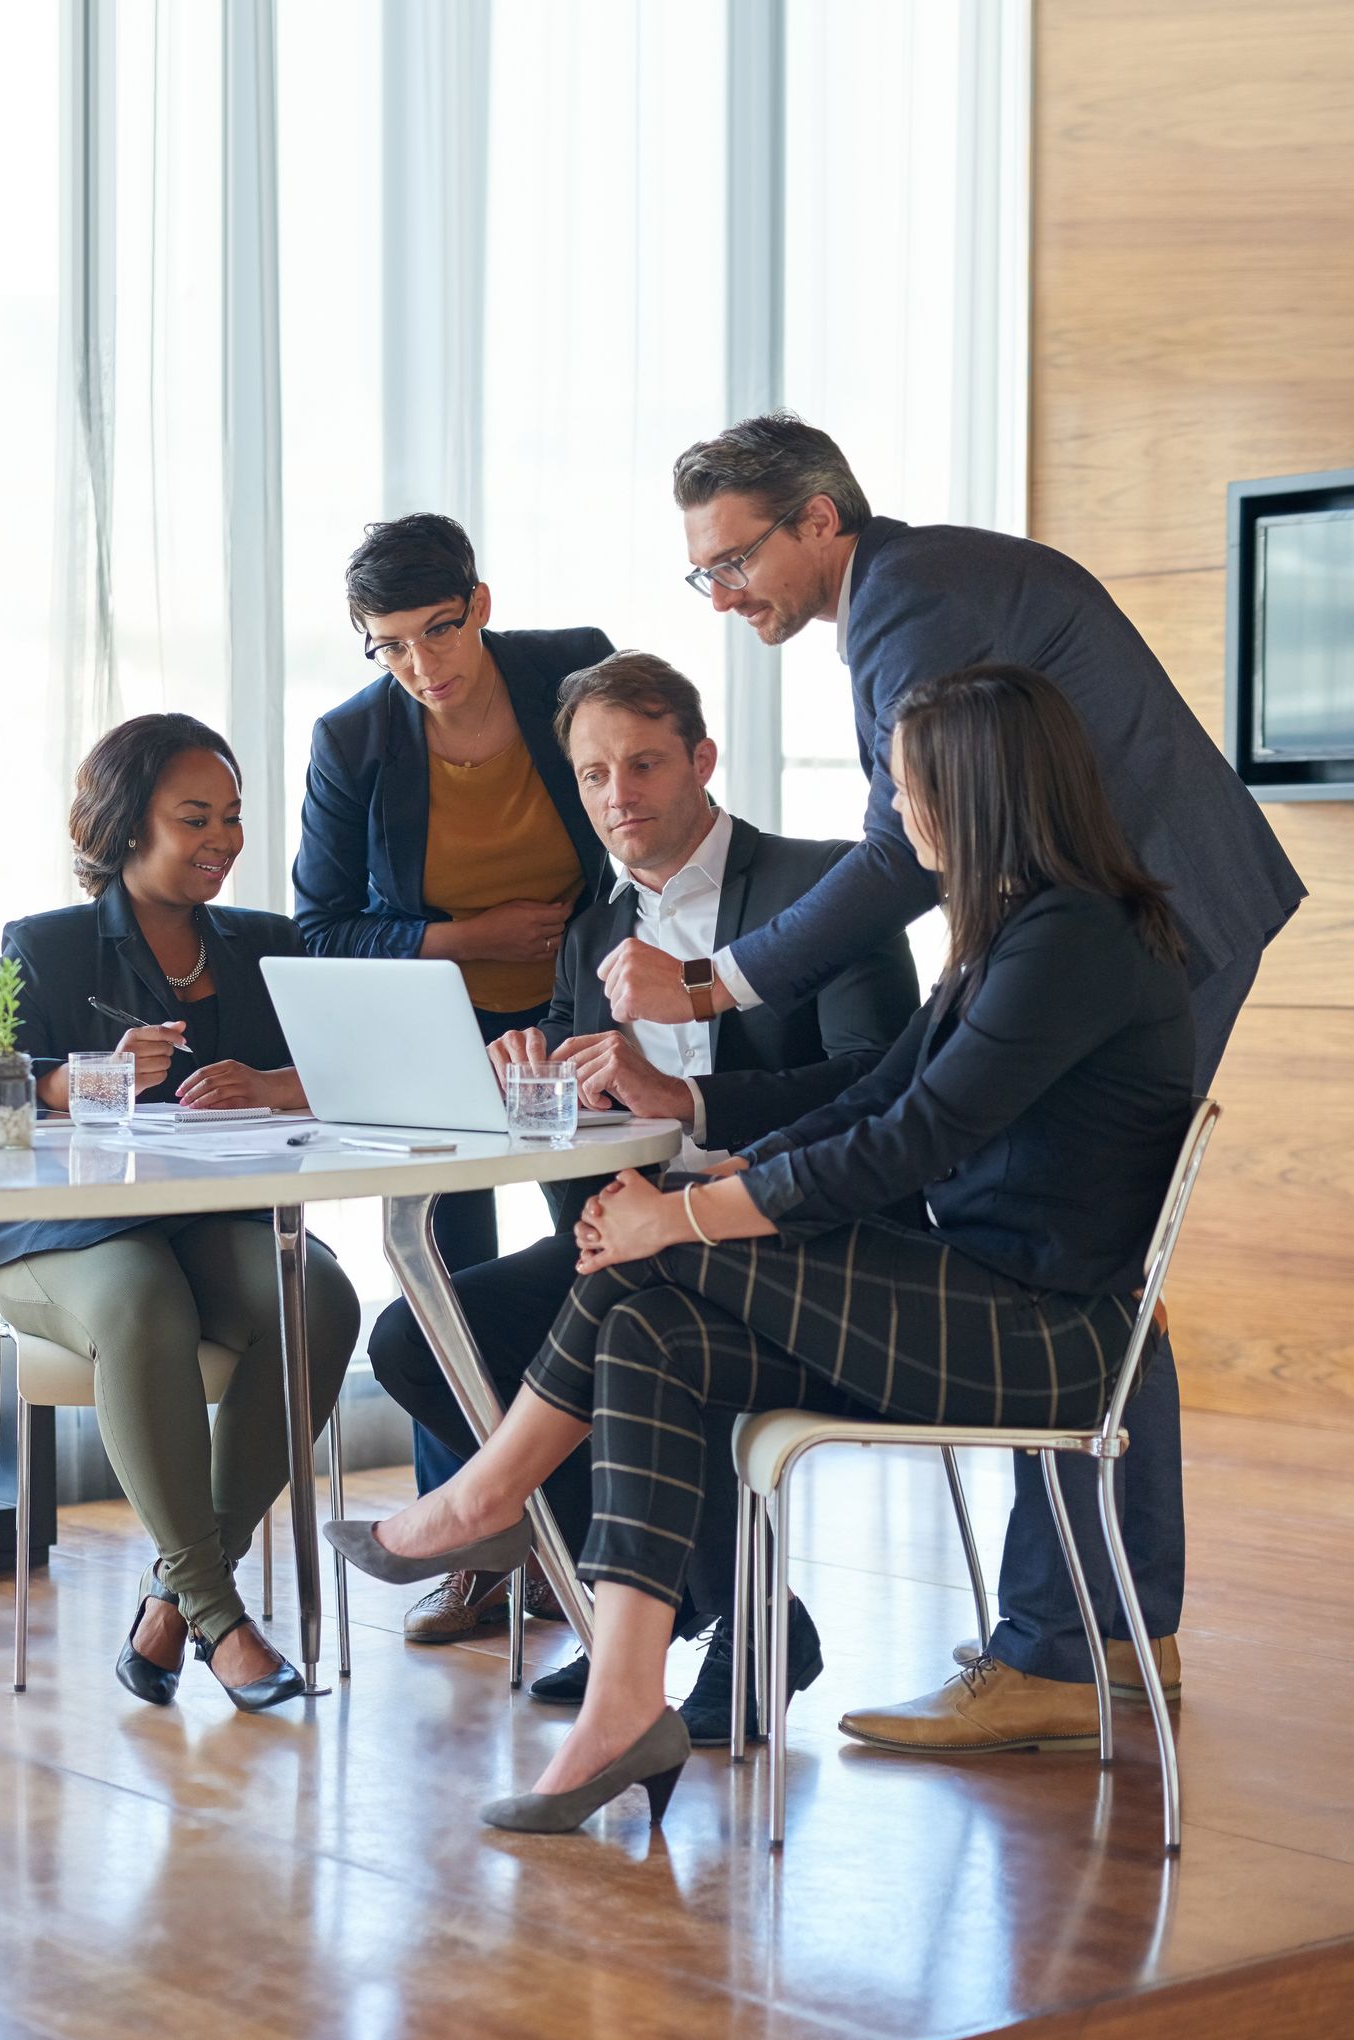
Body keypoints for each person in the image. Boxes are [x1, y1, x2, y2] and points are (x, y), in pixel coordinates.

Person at [329, 663, 1197, 1832]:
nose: (900, 818)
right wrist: (728, 1166)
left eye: (910, 791)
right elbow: (878, 1097)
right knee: (646, 1323)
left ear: (977, 791)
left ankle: (485, 1495)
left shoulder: (1073, 942)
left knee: (644, 1263)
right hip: (980, 1302)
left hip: (1042, 1332)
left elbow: (903, 1144)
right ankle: (626, 1701)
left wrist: (676, 1214)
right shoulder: (1015, 933)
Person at [594, 414, 1306, 1754]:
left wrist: (712, 987)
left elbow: (898, 858)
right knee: (1103, 1271)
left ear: (819, 523)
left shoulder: (910, 600)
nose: (722, 592)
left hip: (1156, 924)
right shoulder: (917, 589)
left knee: (1093, 1270)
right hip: (1138, 911)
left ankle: (1067, 1642)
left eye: (733, 559)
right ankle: (1100, 1627)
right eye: (702, 573)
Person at [364, 650, 918, 1735]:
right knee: (421, 1340)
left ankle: (698, 1616)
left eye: (646, 764)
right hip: (649, 1232)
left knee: (631, 1331)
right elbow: (601, 1132)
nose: (620, 796)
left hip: (810, 1227)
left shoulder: (825, 886)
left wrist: (690, 1097)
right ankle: (680, 1606)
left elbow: (878, 1082)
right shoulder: (593, 933)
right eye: (595, 775)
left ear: (702, 759)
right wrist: (533, 1089)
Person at [0, 713, 361, 1714]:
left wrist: (273, 1085)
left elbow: (344, 1071)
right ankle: (221, 1620)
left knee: (314, 1295)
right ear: (126, 822)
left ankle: (170, 1599)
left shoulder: (268, 944)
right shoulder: (47, 947)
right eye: (196, 818)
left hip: (205, 1222)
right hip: (65, 1239)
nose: (222, 840)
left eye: (232, 817)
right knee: (143, 1300)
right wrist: (79, 1081)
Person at [292, 512, 612, 1534]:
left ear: (479, 604)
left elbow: (651, 829)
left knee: (600, 1260)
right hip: (438, 1034)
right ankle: (469, 1541)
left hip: (578, 1020)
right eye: (389, 645)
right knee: (445, 1286)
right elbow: (321, 927)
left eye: (437, 631)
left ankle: (604, 1525)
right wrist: (471, 935)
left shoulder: (576, 673)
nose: (420, 665)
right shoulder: (353, 739)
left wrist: (572, 959)